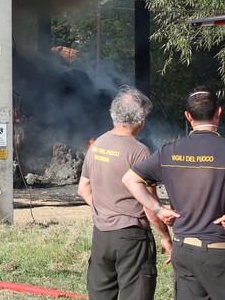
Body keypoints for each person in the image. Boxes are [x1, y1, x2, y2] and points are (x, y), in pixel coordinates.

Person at [123, 87, 225, 300]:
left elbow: (129, 179)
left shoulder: (169, 151)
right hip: (218, 254)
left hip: (184, 252)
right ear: (218, 113)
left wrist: (158, 209)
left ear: (188, 116)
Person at [77, 86, 172, 300]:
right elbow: (150, 206)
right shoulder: (139, 152)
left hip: (101, 237)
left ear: (114, 114)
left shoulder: (96, 145)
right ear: (141, 120)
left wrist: (104, 208)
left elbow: (83, 189)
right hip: (132, 239)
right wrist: (166, 238)